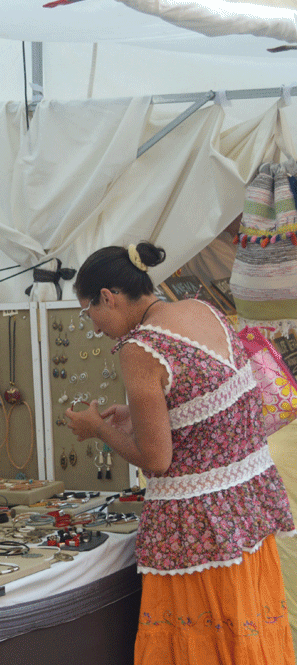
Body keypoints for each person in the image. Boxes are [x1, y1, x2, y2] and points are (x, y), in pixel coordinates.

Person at [64, 242, 295, 665]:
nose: (94, 326)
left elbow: (156, 460)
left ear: (109, 297)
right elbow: (203, 405)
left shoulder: (140, 349)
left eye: (88, 311)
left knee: (203, 646)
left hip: (197, 529)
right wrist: (136, 415)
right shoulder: (203, 309)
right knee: (247, 634)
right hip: (244, 512)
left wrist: (97, 428)